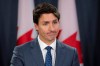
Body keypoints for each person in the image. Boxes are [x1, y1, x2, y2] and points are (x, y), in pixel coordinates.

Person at [10, 3, 80, 66]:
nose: (52, 29)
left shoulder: (71, 53)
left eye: (55, 22)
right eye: (46, 24)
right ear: (36, 26)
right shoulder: (21, 52)